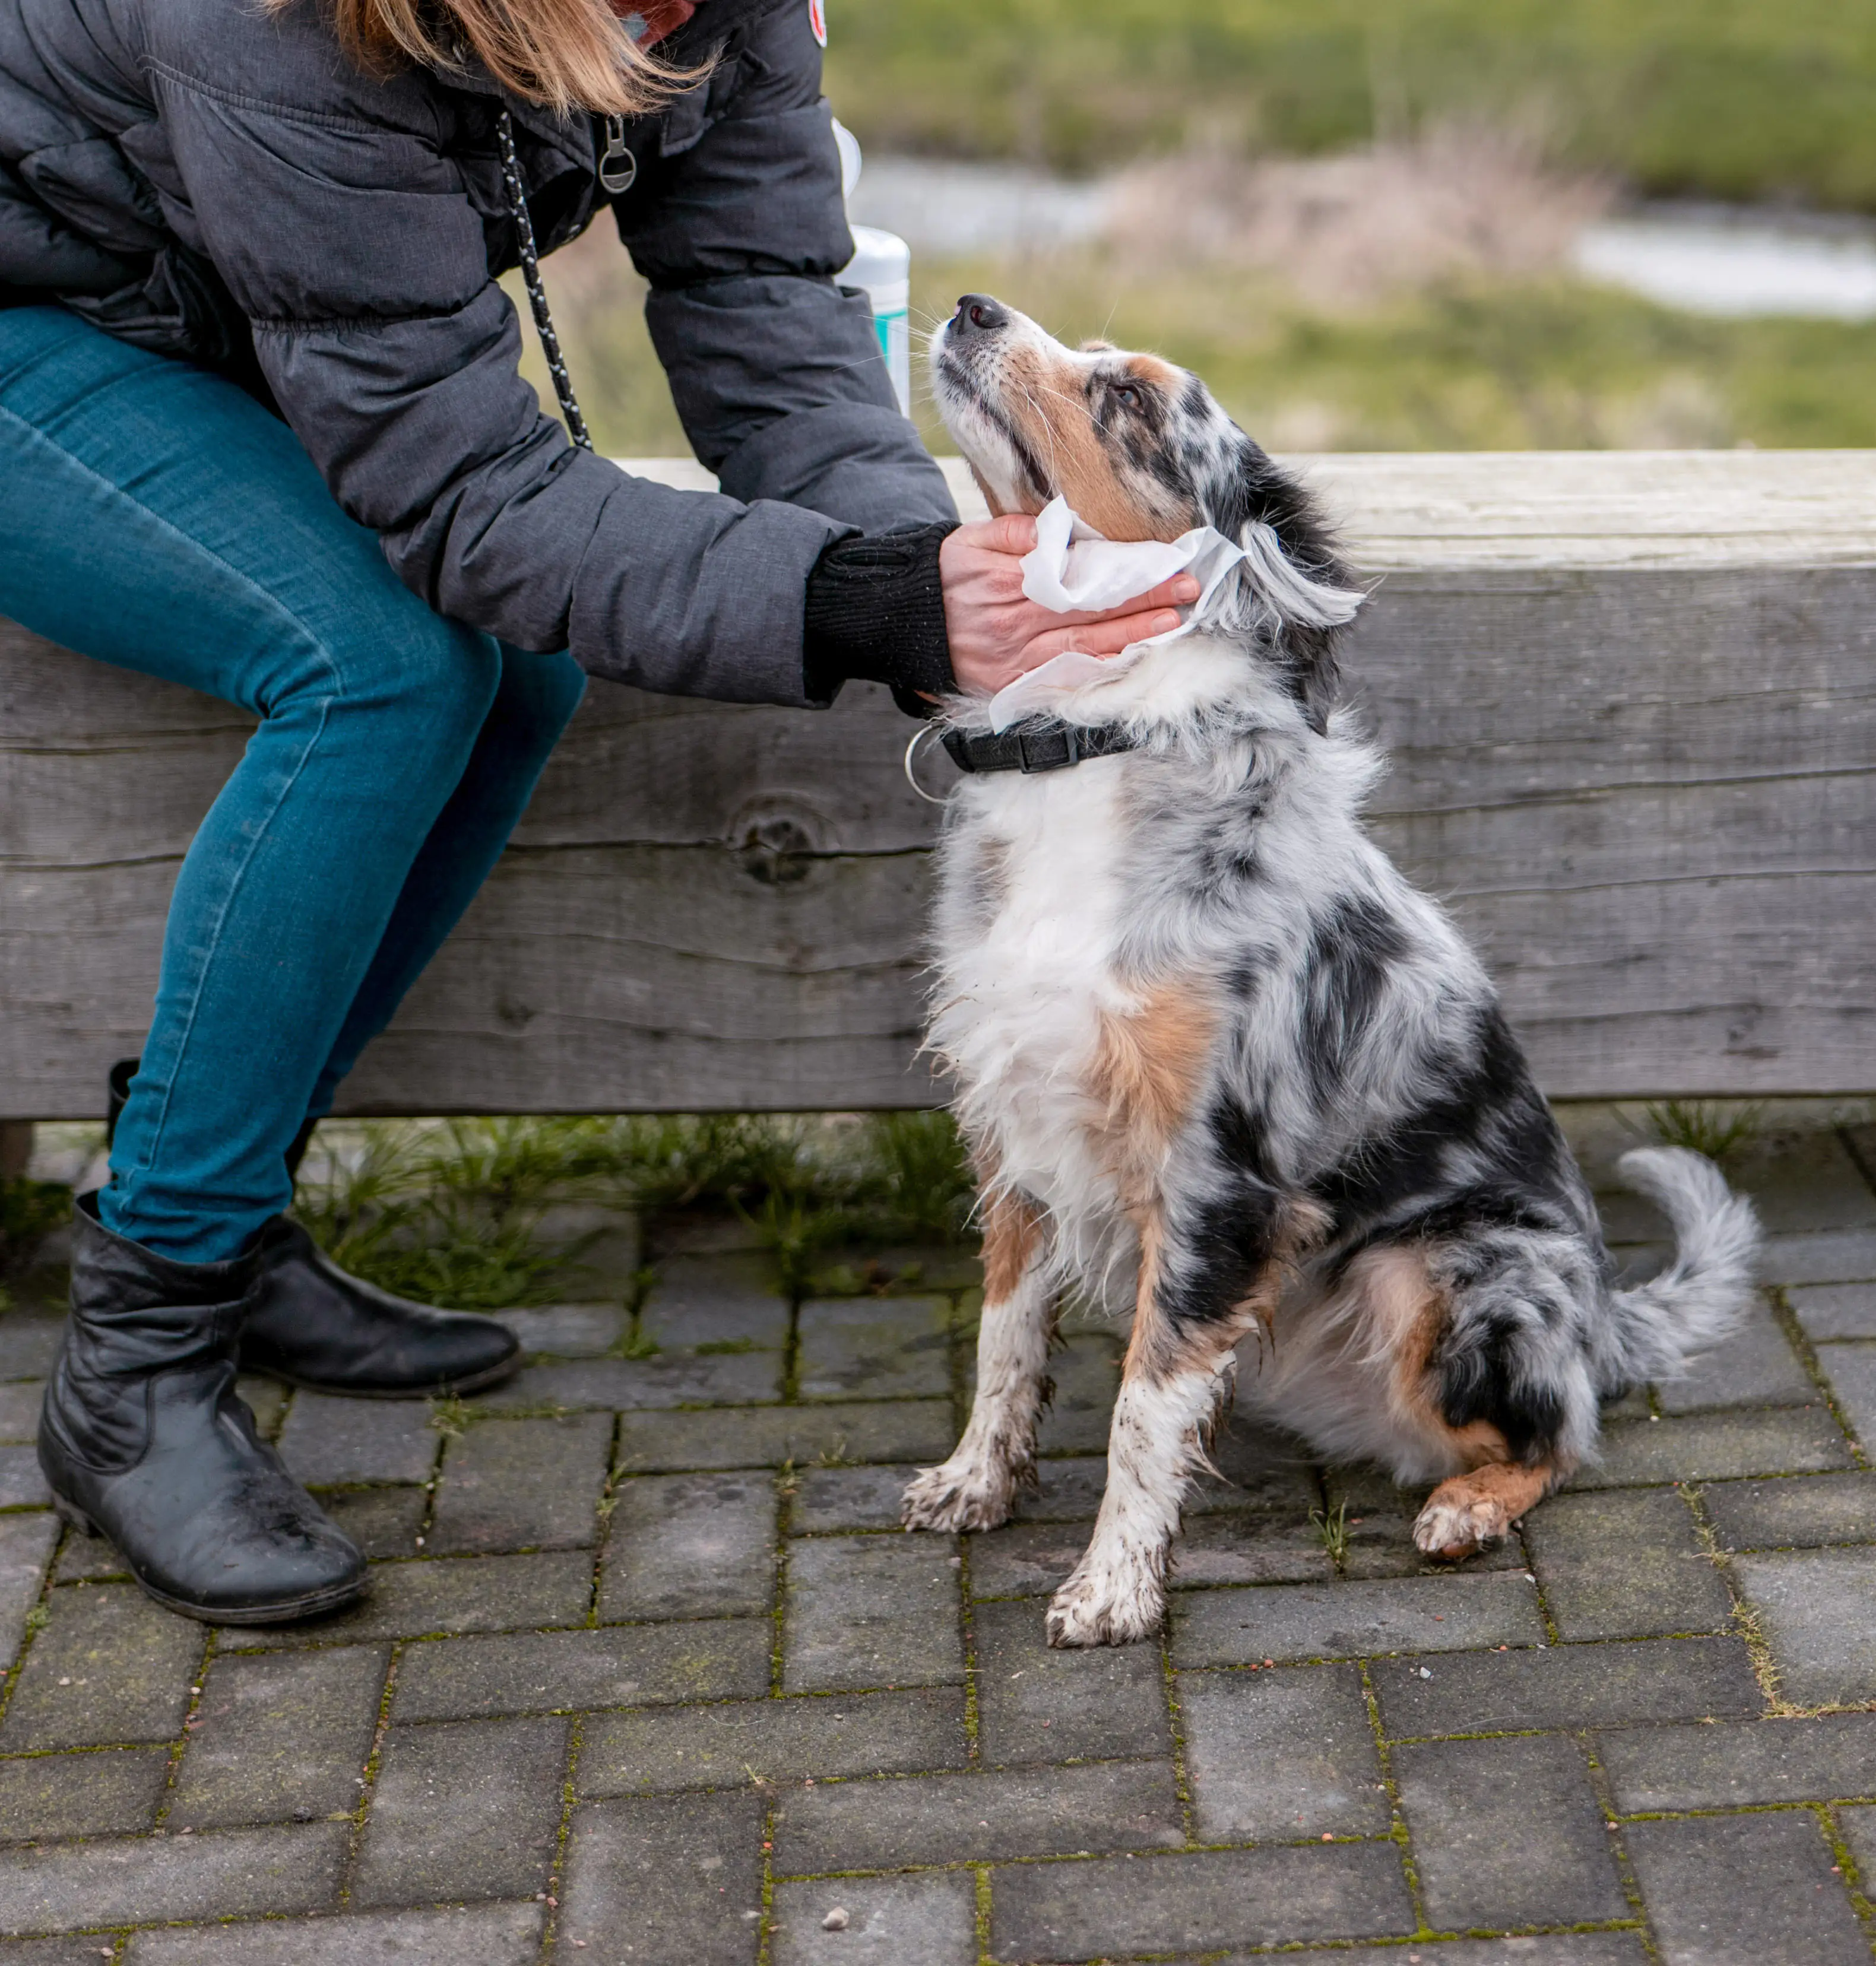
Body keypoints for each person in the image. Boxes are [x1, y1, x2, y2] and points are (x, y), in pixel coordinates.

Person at [0, 0, 1197, 1624]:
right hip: (36, 326)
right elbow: (468, 497)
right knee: (380, 671)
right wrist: (869, 606)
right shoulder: (268, 20)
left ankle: (222, 1216)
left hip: (224, 314)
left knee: (526, 673)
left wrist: (922, 588)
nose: (681, 17)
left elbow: (765, 305)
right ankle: (137, 1352)